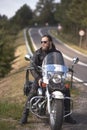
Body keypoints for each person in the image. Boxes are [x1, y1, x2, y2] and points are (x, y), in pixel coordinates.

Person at [20, 34, 76, 125]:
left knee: (66, 91)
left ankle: (67, 116)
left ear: (50, 42)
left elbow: (61, 65)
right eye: (42, 42)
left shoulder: (57, 53)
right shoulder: (37, 53)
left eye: (45, 42)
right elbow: (32, 67)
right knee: (32, 93)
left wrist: (66, 69)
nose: (43, 43)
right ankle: (24, 116)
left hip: (54, 78)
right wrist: (38, 78)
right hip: (41, 78)